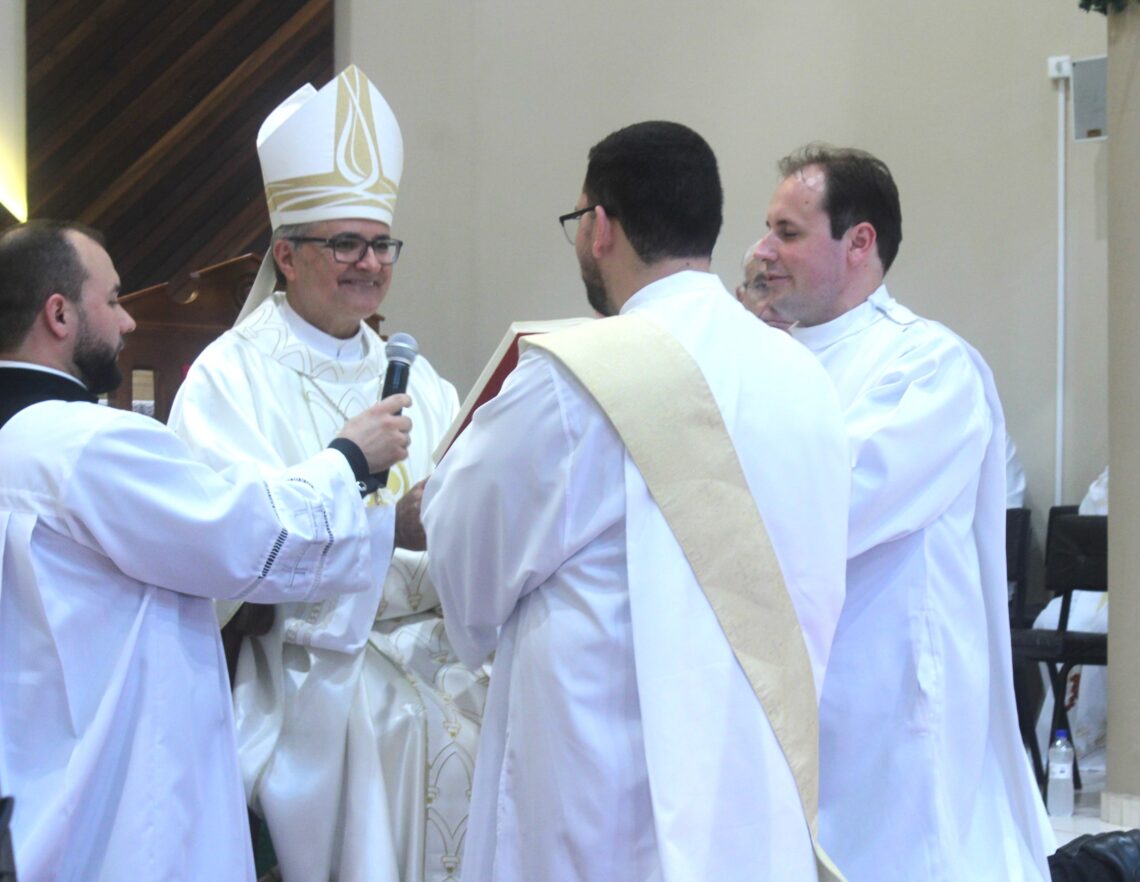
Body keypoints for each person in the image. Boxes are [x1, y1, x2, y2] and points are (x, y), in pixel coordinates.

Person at [421, 121, 851, 881]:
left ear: (599, 227)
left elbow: (465, 541)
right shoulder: (803, 377)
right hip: (759, 774)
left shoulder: (579, 375)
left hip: (608, 788)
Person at [0, 219, 412, 881]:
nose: (129, 322)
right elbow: (239, 541)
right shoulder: (83, 444)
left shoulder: (18, 440)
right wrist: (349, 460)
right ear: (58, 314)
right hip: (119, 784)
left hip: (37, 767)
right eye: (112, 300)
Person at [167, 66, 485, 882]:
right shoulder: (228, 377)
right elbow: (221, 547)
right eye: (345, 243)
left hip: (437, 632)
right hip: (310, 652)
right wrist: (364, 498)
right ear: (286, 253)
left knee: (508, 705)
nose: (370, 264)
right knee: (394, 723)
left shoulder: (416, 375)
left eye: (382, 244)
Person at [750, 144, 1052, 881]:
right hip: (791, 712)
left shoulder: (927, 368)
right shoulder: (767, 362)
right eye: (766, 229)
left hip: (890, 726)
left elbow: (832, 507)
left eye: (788, 232)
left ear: (860, 243)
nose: (760, 252)